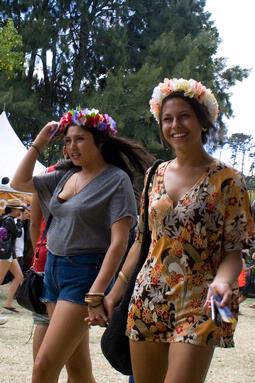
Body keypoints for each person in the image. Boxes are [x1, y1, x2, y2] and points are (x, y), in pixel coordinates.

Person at [97, 78, 255, 383]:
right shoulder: (154, 174)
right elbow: (142, 242)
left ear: (202, 121)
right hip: (148, 296)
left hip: (200, 298)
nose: (175, 125)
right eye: (167, 119)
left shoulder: (228, 180)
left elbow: (234, 253)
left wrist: (224, 283)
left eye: (184, 116)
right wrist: (114, 293)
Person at [11, 107, 152, 383]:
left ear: (100, 141)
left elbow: (119, 242)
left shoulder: (115, 180)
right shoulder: (65, 175)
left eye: (79, 139)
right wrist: (40, 141)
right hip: (53, 270)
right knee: (77, 369)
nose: (71, 147)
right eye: (67, 140)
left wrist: (97, 292)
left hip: (84, 276)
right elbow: (19, 182)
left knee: (43, 366)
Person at [0, 199, 24, 312]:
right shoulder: (9, 220)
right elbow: (18, 233)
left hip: (9, 253)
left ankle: (8, 302)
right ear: (13, 209)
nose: (19, 212)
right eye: (18, 209)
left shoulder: (5, 219)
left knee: (19, 277)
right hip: (5, 253)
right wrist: (20, 221)